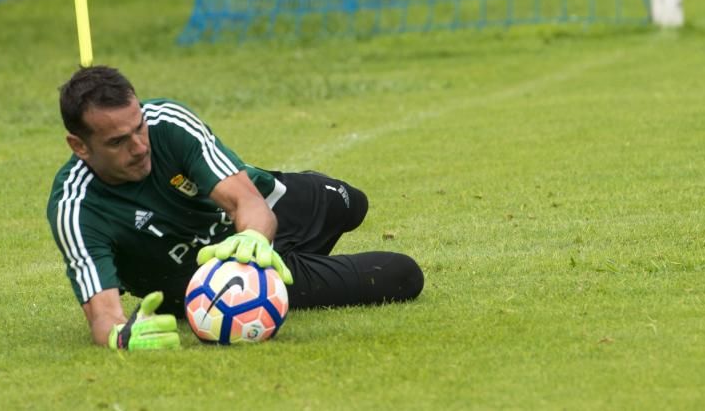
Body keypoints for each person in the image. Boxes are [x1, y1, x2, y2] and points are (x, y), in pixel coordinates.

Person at [46, 65, 424, 350]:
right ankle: (286, 273)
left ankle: (291, 257)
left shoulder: (169, 123)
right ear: (79, 146)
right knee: (401, 275)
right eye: (117, 141)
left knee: (349, 202)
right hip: (208, 281)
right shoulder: (74, 207)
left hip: (252, 226)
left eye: (139, 127)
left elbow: (249, 203)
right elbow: (103, 314)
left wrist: (254, 239)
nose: (140, 146)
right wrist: (122, 336)